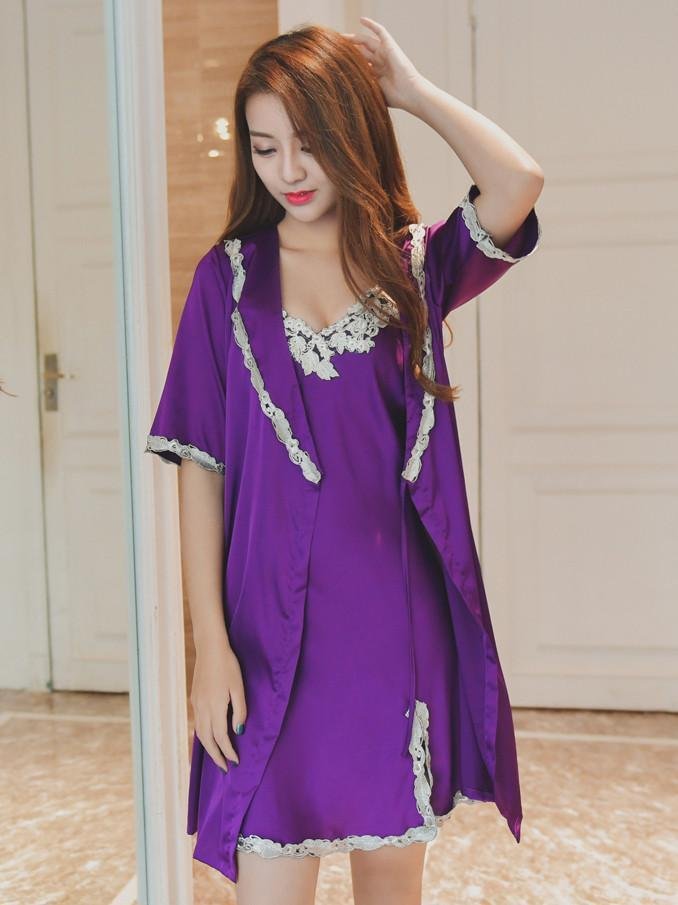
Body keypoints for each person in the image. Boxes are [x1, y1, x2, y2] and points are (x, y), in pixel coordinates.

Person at [145, 16, 543, 905]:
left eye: (310, 142)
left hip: (390, 636)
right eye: (265, 148)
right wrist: (209, 648)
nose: (289, 170)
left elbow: (518, 182)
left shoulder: (414, 267)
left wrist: (410, 91)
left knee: (391, 887)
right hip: (265, 641)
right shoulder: (227, 281)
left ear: (353, 133)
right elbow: (202, 468)